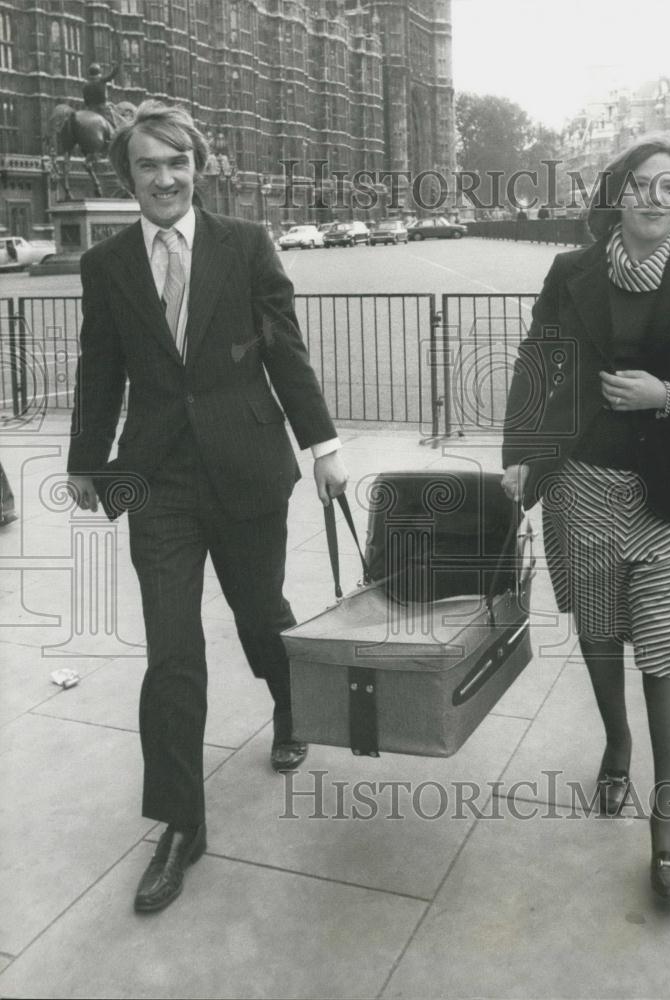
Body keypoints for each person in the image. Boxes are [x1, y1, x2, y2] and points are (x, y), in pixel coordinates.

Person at [66, 101, 347, 914]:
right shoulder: (109, 264)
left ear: (199, 167)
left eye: (176, 162)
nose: (164, 178)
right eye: (148, 166)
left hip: (248, 465)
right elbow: (100, 366)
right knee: (172, 654)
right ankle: (182, 825)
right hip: (156, 481)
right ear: (129, 178)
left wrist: (324, 446)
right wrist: (88, 458)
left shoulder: (247, 245)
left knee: (262, 615)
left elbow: (284, 351)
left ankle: (291, 707)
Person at [501, 132, 670, 903]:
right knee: (602, 629)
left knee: (668, 647)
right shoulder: (571, 271)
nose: (653, 199)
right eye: (641, 185)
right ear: (617, 194)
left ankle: (667, 825)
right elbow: (537, 362)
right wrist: (520, 451)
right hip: (583, 487)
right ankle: (616, 743)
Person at [82, 63, 122, 129]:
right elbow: (111, 76)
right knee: (112, 124)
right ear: (98, 72)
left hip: (89, 109)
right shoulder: (101, 81)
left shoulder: (85, 85)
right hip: (101, 108)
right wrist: (117, 67)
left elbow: (86, 100)